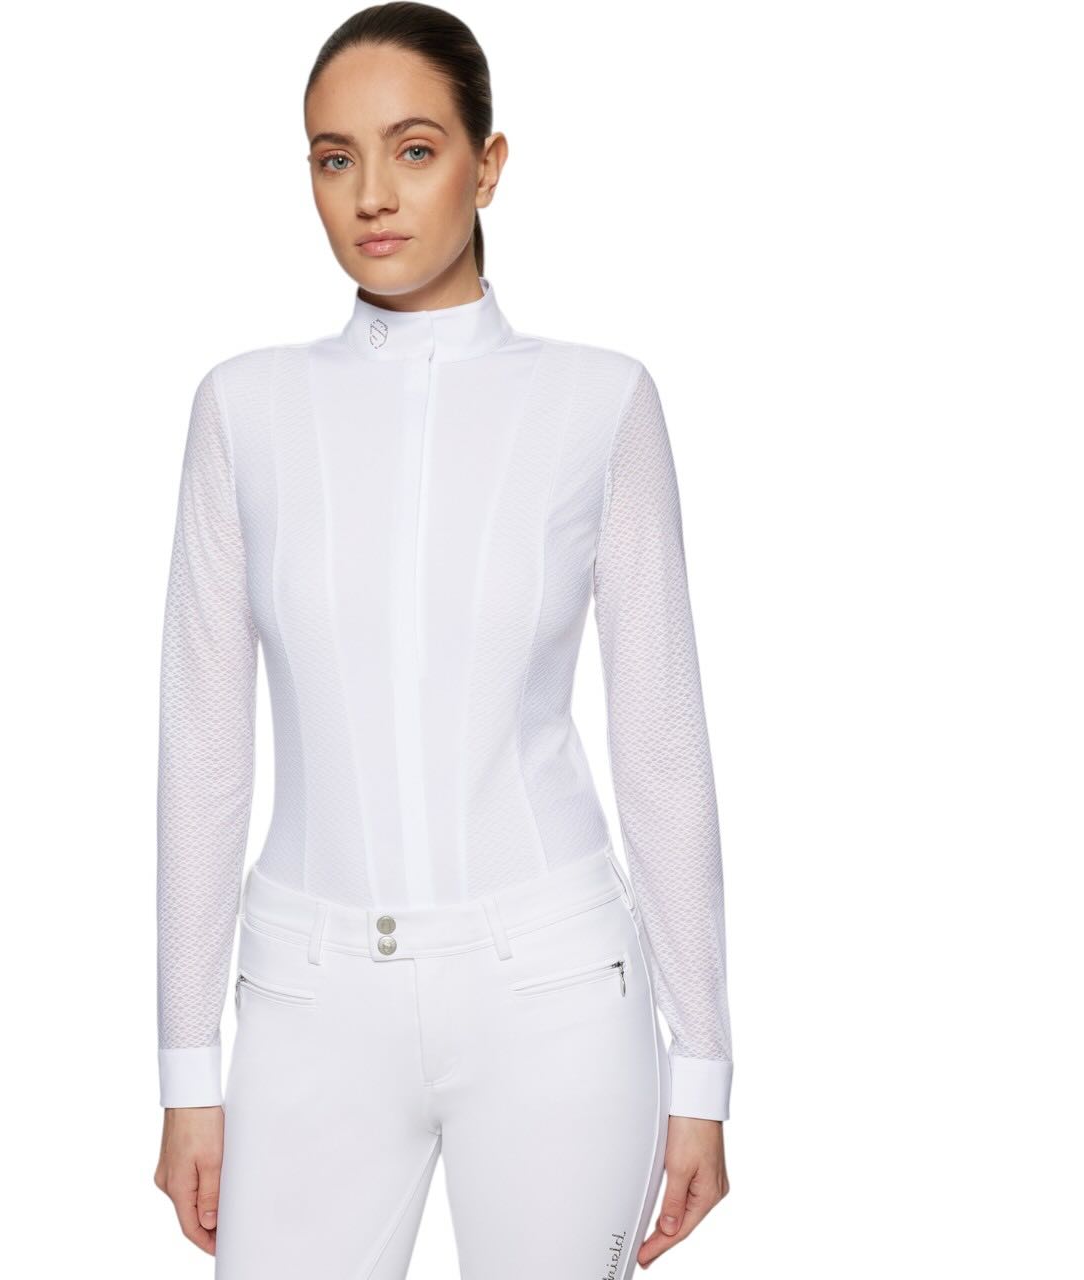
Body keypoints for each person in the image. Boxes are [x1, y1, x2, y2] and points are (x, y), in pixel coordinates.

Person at [152, 4, 733, 1275]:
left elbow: (657, 740)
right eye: (333, 156)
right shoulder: (244, 410)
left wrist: (702, 1063)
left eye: (413, 149)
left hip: (554, 991)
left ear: (488, 163)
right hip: (306, 999)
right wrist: (186, 1066)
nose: (371, 192)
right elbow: (203, 754)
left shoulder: (598, 402)